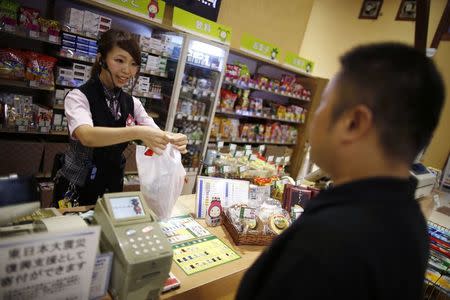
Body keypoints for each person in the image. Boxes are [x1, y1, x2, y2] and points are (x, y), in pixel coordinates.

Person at [236, 43, 445, 299]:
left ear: (354, 123)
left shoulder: (323, 245)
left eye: (323, 103)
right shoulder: (409, 221)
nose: (315, 116)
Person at [53, 29, 187, 206]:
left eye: (133, 64)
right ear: (101, 59)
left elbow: (156, 133)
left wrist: (173, 147)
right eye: (119, 60)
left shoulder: (133, 103)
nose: (127, 70)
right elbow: (87, 135)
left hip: (112, 186)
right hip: (76, 186)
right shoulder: (78, 96)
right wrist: (138, 132)